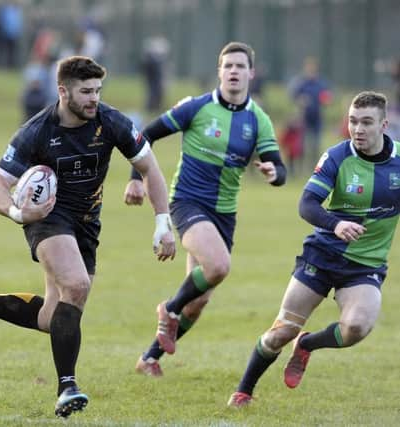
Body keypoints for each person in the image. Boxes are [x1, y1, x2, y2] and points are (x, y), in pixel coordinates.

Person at [0, 55, 176, 418]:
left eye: (97, 90)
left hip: (87, 225)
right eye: (86, 91)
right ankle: (67, 386)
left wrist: (162, 223)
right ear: (63, 91)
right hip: (46, 219)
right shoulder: (36, 131)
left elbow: (149, 167)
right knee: (77, 285)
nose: (94, 98)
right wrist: (21, 213)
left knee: (53, 318)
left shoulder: (110, 121)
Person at [123, 41, 287, 377]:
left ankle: (149, 358)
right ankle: (167, 309)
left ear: (251, 74)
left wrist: (274, 173)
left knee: (197, 304)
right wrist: (135, 179)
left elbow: (280, 168)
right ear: (219, 72)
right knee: (218, 266)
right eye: (227, 66)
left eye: (240, 66)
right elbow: (146, 135)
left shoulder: (259, 120)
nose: (233, 72)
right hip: (188, 202)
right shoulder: (196, 108)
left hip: (224, 216)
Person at [228, 91, 400, 407]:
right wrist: (335, 224)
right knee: (281, 331)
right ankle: (244, 390)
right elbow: (306, 204)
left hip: (365, 266)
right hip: (322, 256)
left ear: (384, 125)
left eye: (366, 123)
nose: (357, 129)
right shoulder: (337, 156)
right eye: (352, 121)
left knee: (356, 328)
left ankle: (307, 344)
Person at [289, 56, 332, 176]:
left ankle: (314, 170)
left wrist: (326, 100)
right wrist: (300, 100)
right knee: (301, 146)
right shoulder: (301, 83)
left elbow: (327, 97)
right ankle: (298, 170)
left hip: (317, 119)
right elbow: (293, 95)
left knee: (315, 146)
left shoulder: (321, 83)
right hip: (303, 120)